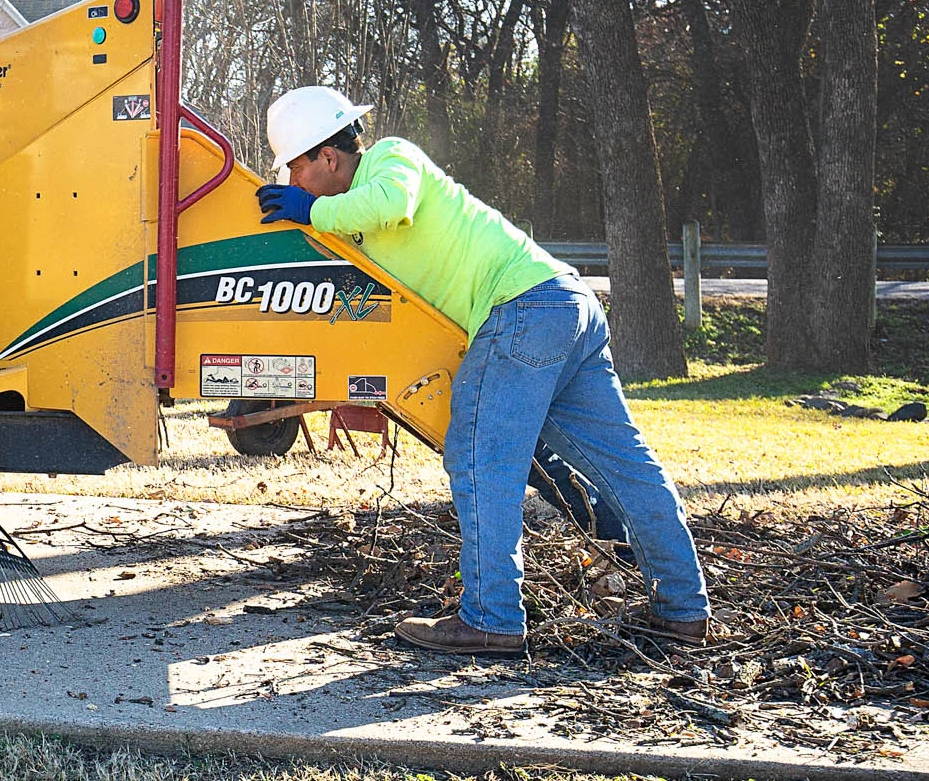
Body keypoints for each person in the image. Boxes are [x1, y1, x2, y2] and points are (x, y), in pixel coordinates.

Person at [254, 87, 712, 656]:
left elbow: (391, 201)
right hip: (563, 306)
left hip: (522, 307)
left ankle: (492, 617)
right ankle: (684, 611)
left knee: (480, 458)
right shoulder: (348, 217)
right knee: (625, 467)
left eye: (295, 167)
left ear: (328, 155)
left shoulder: (392, 159)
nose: (293, 183)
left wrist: (312, 210)